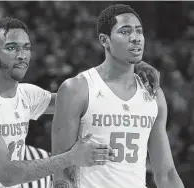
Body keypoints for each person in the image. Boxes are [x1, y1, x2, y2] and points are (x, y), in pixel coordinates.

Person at [0, 16, 158, 188]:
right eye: (11, 48)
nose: (22, 55)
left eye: (26, 47)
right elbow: (7, 175)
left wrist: (128, 69)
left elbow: (82, 100)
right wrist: (71, 157)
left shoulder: (26, 95)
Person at [52, 4, 185, 188]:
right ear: (104, 40)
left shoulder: (153, 94)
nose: (136, 38)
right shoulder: (77, 89)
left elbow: (167, 174)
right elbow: (61, 170)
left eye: (139, 31)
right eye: (125, 31)